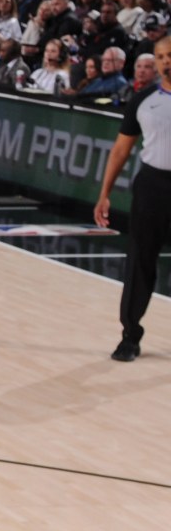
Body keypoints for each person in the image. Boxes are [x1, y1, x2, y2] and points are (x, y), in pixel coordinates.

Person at [95, 52, 168, 361]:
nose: (167, 62)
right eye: (163, 56)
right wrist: (104, 193)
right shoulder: (143, 99)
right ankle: (130, 334)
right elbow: (121, 149)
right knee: (140, 260)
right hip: (152, 184)